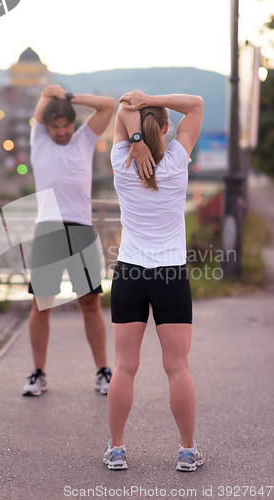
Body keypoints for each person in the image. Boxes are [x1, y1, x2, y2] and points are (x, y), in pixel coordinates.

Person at [102, 90, 204, 472]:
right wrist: (152, 98)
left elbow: (122, 107)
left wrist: (135, 140)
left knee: (124, 366)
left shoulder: (121, 160)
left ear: (138, 131)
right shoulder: (178, 159)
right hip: (170, 273)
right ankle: (188, 450)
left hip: (129, 271)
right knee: (177, 367)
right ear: (165, 128)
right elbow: (195, 104)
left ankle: (116, 449)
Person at [23, 85, 115, 397]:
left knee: (90, 304)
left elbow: (107, 106)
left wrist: (70, 97)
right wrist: (50, 96)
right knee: (41, 305)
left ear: (73, 124)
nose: (61, 132)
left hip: (81, 229)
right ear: (47, 127)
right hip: (48, 230)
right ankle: (38, 373)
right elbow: (41, 106)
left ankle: (103, 371)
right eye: (56, 127)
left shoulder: (84, 140)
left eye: (66, 126)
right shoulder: (39, 140)